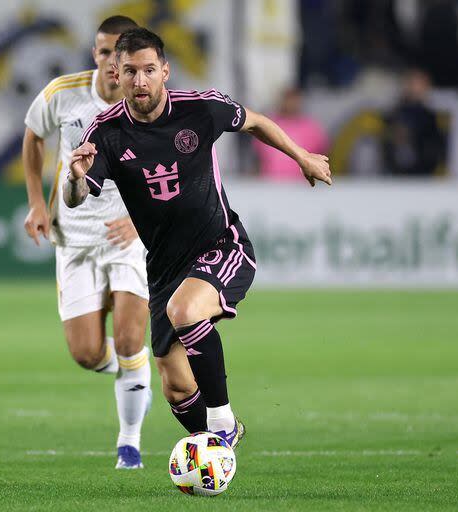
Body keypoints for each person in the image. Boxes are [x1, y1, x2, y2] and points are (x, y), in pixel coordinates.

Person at [64, 28, 331, 447]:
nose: (140, 81)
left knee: (185, 310)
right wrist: (75, 177)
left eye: (149, 70)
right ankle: (215, 448)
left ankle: (222, 427)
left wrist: (303, 157)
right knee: (175, 386)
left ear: (165, 71)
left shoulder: (201, 109)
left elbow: (257, 122)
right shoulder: (105, 134)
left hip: (222, 245)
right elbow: (76, 198)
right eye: (130, 71)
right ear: (115, 73)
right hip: (164, 266)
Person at [21, 16, 152, 470]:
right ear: (94, 54)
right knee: (87, 353)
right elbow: (34, 136)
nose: (112, 61)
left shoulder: (150, 103)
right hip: (74, 240)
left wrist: (142, 223)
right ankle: (136, 374)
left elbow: (170, 170)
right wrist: (37, 202)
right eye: (102, 52)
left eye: (121, 51)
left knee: (132, 336)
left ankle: (129, 445)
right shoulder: (64, 93)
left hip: (127, 238)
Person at [254, 87, 328, 181]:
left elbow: (323, 159)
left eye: (294, 99)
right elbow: (257, 159)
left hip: (301, 186)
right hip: (270, 184)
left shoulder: (311, 128)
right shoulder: (268, 124)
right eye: (288, 99)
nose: (291, 103)